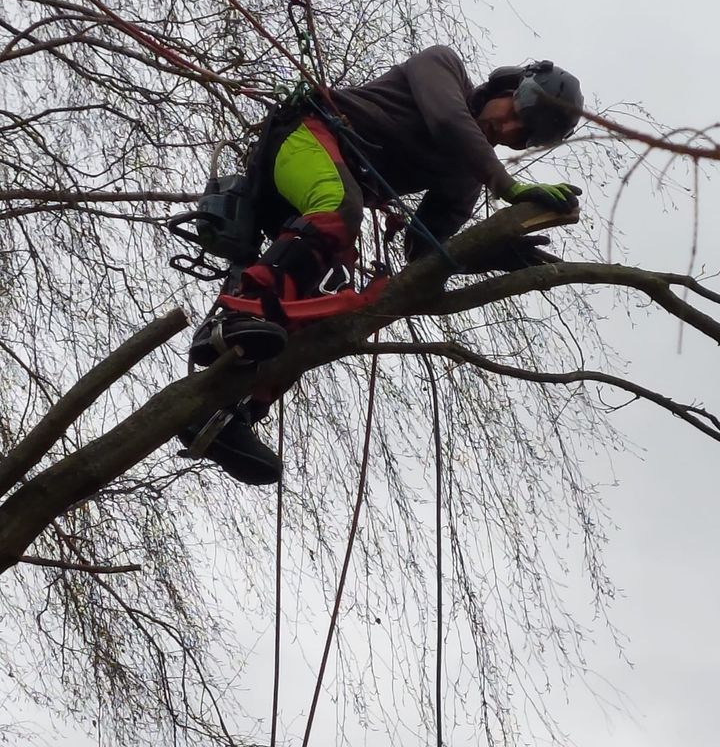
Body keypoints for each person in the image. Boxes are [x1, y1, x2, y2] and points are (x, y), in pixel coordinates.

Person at [178, 46, 583, 484]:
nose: (504, 129)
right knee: (340, 207)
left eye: (520, 136)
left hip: (320, 211)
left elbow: (426, 251)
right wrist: (508, 186)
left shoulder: (466, 173)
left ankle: (225, 414)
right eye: (515, 112)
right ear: (507, 86)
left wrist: (488, 252)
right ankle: (238, 314)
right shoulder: (441, 67)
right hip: (305, 139)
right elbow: (449, 121)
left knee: (315, 315)